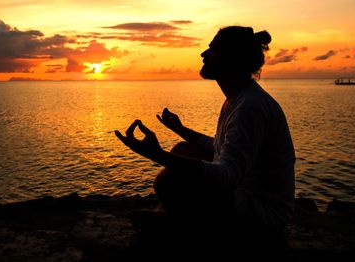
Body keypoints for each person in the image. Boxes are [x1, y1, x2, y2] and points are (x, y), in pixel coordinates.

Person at [115, 26, 295, 238]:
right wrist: (180, 130)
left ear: (232, 58)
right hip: (245, 193)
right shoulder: (238, 98)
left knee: (169, 182)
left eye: (213, 49)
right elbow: (222, 149)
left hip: (263, 214)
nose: (204, 54)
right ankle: (171, 217)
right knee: (183, 149)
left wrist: (157, 154)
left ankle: (178, 225)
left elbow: (228, 175)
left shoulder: (249, 107)